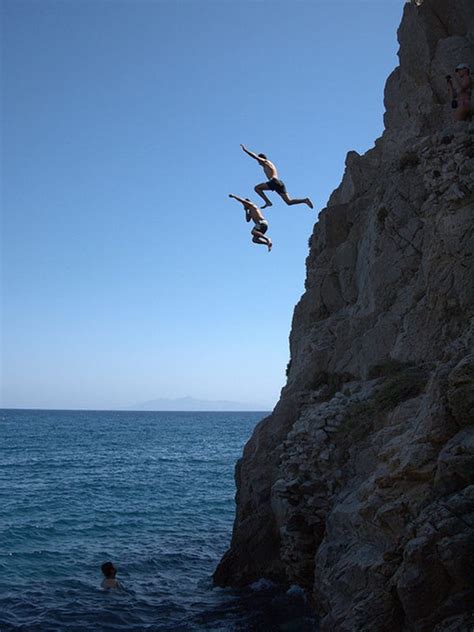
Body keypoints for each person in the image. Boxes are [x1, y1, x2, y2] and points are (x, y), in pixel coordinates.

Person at [240, 144, 314, 210]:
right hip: (279, 183)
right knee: (289, 202)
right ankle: (305, 200)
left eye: (259, 161)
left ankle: (268, 202)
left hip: (274, 181)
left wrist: (245, 150)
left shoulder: (266, 162)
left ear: (261, 159)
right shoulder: (269, 164)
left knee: (256, 188)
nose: (258, 163)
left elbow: (255, 157)